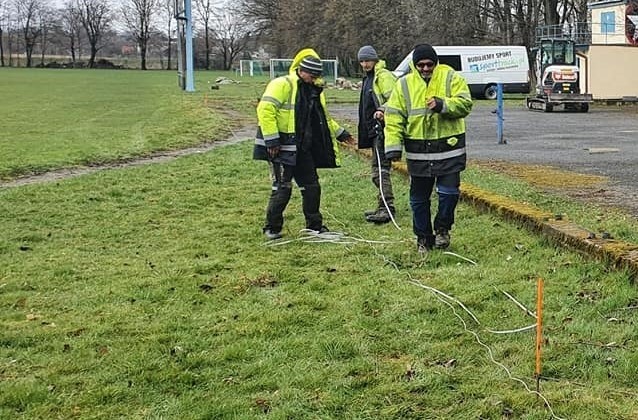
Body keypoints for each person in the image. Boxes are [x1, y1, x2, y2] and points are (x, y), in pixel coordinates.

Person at [253, 48, 353, 240]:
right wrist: (272, 141)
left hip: (303, 149)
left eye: (317, 76)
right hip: (281, 148)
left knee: (312, 187)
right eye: (311, 75)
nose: (314, 79)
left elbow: (324, 119)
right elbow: (265, 110)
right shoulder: (281, 84)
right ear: (301, 70)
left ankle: (315, 226)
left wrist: (342, 133)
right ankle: (272, 228)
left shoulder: (315, 91)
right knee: (282, 188)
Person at [384, 44, 473, 252]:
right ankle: (423, 238)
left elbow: (465, 104)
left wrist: (443, 105)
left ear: (436, 63)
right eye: (421, 65)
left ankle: (442, 229)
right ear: (415, 66)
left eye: (429, 65)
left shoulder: (450, 77)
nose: (425, 69)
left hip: (449, 149)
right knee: (418, 199)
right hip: (418, 151)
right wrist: (393, 147)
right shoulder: (404, 84)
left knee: (449, 194)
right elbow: (394, 116)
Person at [356, 45, 398, 224]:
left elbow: (396, 99)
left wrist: (382, 109)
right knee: (377, 170)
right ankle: (383, 205)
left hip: (382, 129)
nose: (365, 64)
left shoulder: (383, 77)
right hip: (372, 130)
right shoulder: (369, 78)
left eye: (368, 60)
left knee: (380, 171)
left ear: (375, 59)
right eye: (362, 61)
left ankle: (386, 208)